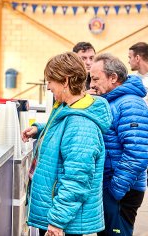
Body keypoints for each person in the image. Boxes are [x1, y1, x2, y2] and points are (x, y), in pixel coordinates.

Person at [22, 52, 112, 236]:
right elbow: (62, 131)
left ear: (65, 81)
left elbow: (76, 180)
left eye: (50, 81)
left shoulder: (81, 124)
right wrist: (40, 129)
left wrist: (57, 221)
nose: (47, 87)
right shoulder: (68, 107)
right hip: (58, 213)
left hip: (65, 222)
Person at [90, 53, 148, 236]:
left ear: (113, 78)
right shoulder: (112, 102)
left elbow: (137, 154)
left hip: (122, 190)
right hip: (113, 186)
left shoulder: (130, 105)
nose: (92, 84)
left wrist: (114, 192)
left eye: (95, 79)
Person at [127, 42, 148, 228]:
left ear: (138, 58)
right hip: (136, 139)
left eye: (130, 57)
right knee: (133, 183)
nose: (129, 61)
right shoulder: (132, 80)